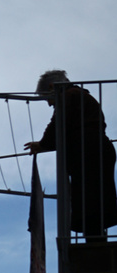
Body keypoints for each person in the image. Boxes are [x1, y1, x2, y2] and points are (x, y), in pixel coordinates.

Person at [24, 69, 117, 237]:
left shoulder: (68, 96)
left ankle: (94, 238)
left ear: (53, 87)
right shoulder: (80, 97)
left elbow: (57, 125)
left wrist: (43, 144)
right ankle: (97, 236)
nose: (49, 104)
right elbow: (64, 129)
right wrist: (45, 144)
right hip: (96, 149)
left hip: (88, 152)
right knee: (98, 199)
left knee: (88, 201)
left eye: (47, 98)